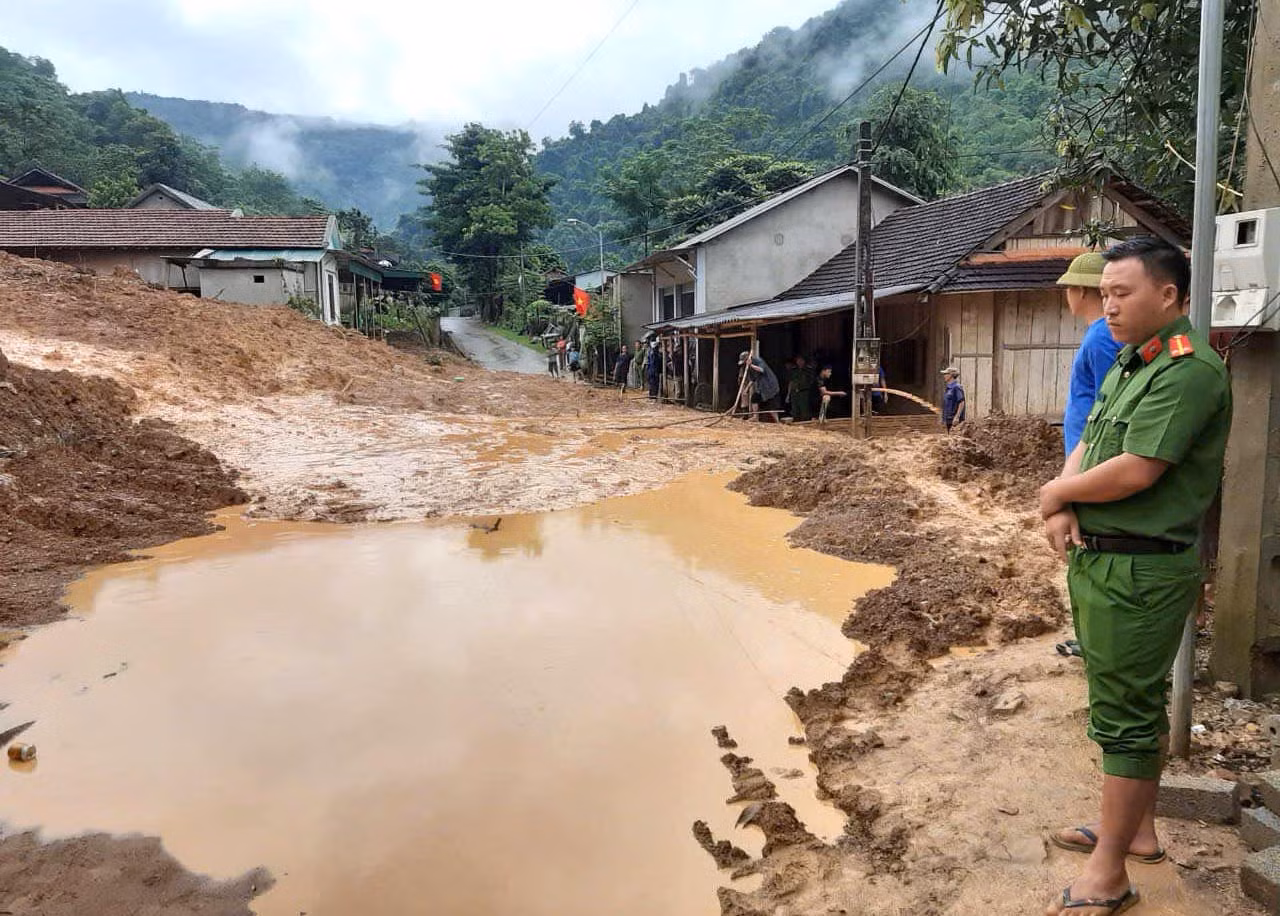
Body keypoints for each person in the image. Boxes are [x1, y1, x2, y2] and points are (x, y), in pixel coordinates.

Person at [1038, 237, 1231, 916]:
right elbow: (1092, 436)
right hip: (1105, 559)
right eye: (1106, 294)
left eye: (1123, 294)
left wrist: (1052, 496)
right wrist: (1063, 496)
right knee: (1123, 703)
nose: (1109, 307)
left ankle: (1110, 870)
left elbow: (1138, 468)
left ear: (1169, 296)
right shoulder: (1130, 361)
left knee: (1123, 715)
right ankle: (1135, 830)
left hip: (1142, 568)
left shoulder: (1189, 371)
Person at [1060, 251, 1123, 455]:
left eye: (1069, 288)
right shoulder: (1103, 332)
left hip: (1090, 452)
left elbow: (1108, 403)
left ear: (1081, 291)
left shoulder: (1101, 338)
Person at [738, 351, 781, 422]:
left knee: (772, 405)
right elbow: (753, 379)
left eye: (745, 361)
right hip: (761, 387)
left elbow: (761, 370)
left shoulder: (758, 361)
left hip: (770, 386)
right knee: (754, 398)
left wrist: (751, 365)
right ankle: (755, 417)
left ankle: (777, 421)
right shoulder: (748, 368)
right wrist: (746, 389)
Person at [787, 355, 816, 422]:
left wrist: (802, 387)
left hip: (804, 392)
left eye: (801, 360)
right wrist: (788, 394)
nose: (799, 362)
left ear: (804, 361)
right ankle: (796, 421)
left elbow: (811, 382)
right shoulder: (793, 370)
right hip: (794, 392)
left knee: (804, 409)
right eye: (798, 360)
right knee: (795, 409)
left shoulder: (808, 370)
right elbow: (791, 381)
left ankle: (805, 422)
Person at [940, 367, 965, 432]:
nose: (944, 376)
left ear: (951, 375)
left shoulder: (956, 387)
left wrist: (957, 417)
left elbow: (961, 402)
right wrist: (943, 419)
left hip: (954, 420)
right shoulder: (948, 388)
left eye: (945, 374)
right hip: (948, 419)